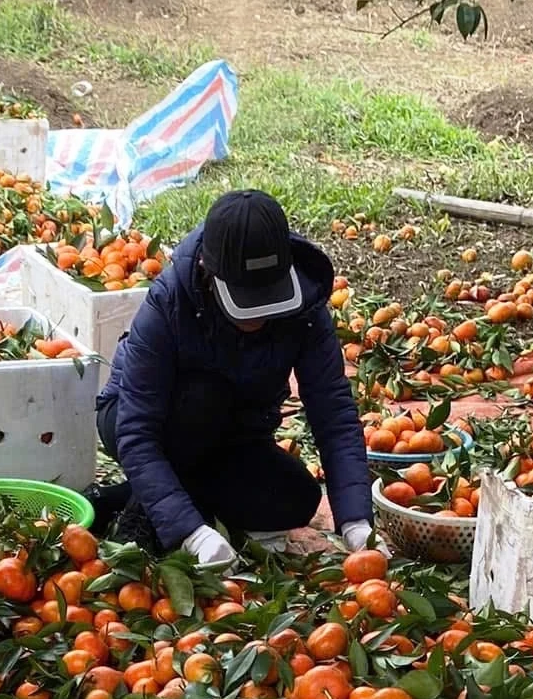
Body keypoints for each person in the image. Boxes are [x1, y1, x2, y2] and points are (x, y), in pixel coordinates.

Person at [94, 190, 374, 567]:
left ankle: (133, 497)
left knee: (295, 498)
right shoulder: (170, 302)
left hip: (232, 435)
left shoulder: (304, 309)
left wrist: (356, 521)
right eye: (246, 299)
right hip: (143, 419)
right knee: (204, 397)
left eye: (268, 297)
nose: (258, 316)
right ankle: (155, 511)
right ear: (210, 274)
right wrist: (191, 533)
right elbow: (136, 431)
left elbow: (333, 413)